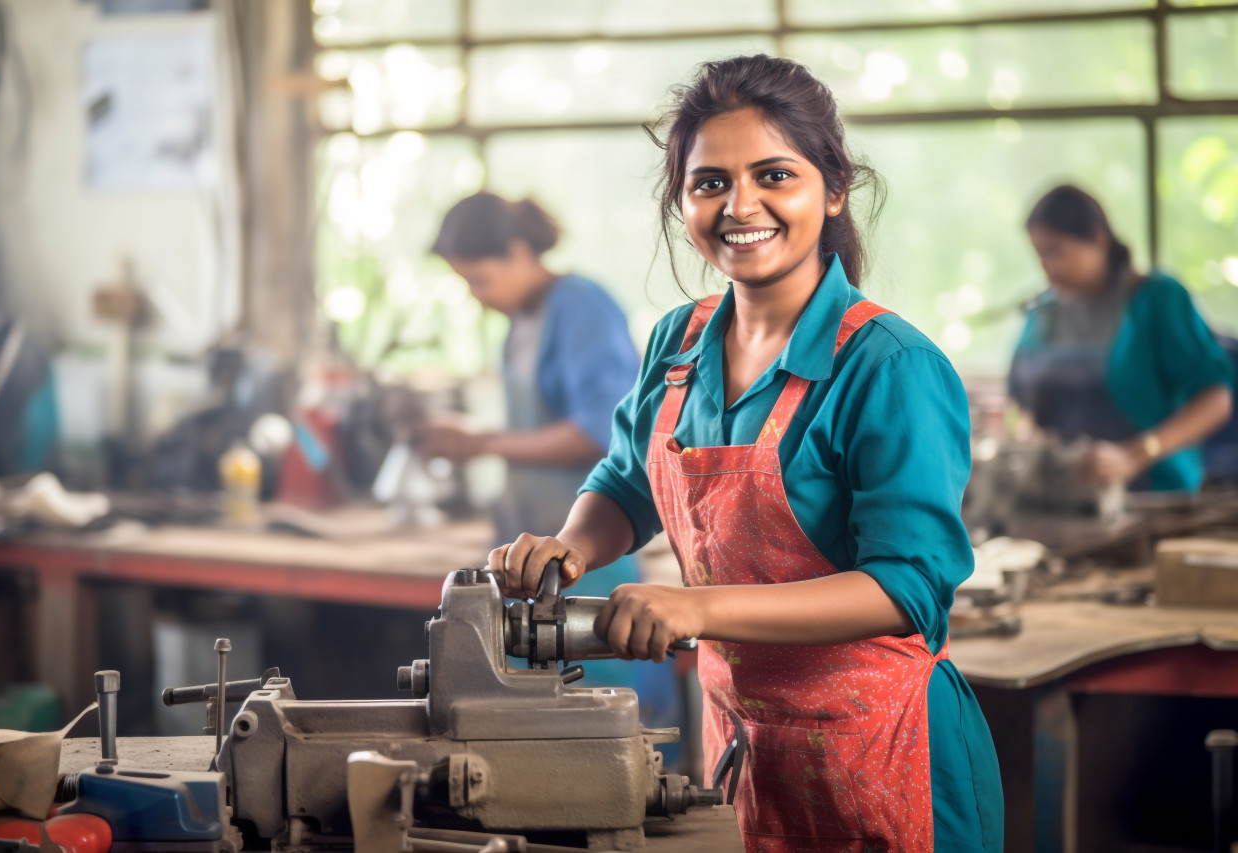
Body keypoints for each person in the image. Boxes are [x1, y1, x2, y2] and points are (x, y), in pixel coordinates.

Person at [488, 55, 1003, 853]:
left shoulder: (890, 365)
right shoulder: (681, 340)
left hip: (888, 754)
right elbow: (628, 481)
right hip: (743, 748)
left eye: (774, 175)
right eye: (709, 183)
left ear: (833, 189)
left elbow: (910, 586)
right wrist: (572, 546)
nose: (741, 205)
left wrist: (698, 608)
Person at [423, 192, 676, 707]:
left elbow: (598, 431)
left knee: (614, 721)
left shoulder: (581, 307)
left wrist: (481, 443)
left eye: (479, 279)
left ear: (518, 251)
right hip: (532, 565)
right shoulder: (521, 322)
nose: (476, 295)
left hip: (589, 557)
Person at [1009, 184, 1234, 491]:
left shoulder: (1157, 300)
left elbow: (1216, 399)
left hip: (1151, 494)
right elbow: (1023, 406)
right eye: (1039, 255)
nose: (1047, 269)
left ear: (1098, 239)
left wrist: (1136, 455)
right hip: (1062, 497)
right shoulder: (1044, 311)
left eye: (1056, 252)